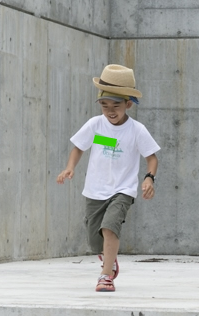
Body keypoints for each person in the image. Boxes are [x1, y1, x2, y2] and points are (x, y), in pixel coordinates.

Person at [57, 64, 160, 292]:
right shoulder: (95, 125)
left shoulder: (137, 130)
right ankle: (108, 258)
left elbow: (152, 158)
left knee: (110, 228)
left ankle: (105, 276)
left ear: (128, 104)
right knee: (96, 241)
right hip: (95, 190)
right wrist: (69, 167)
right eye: (105, 106)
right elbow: (78, 148)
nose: (110, 111)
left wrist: (149, 177)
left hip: (122, 190)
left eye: (116, 106)